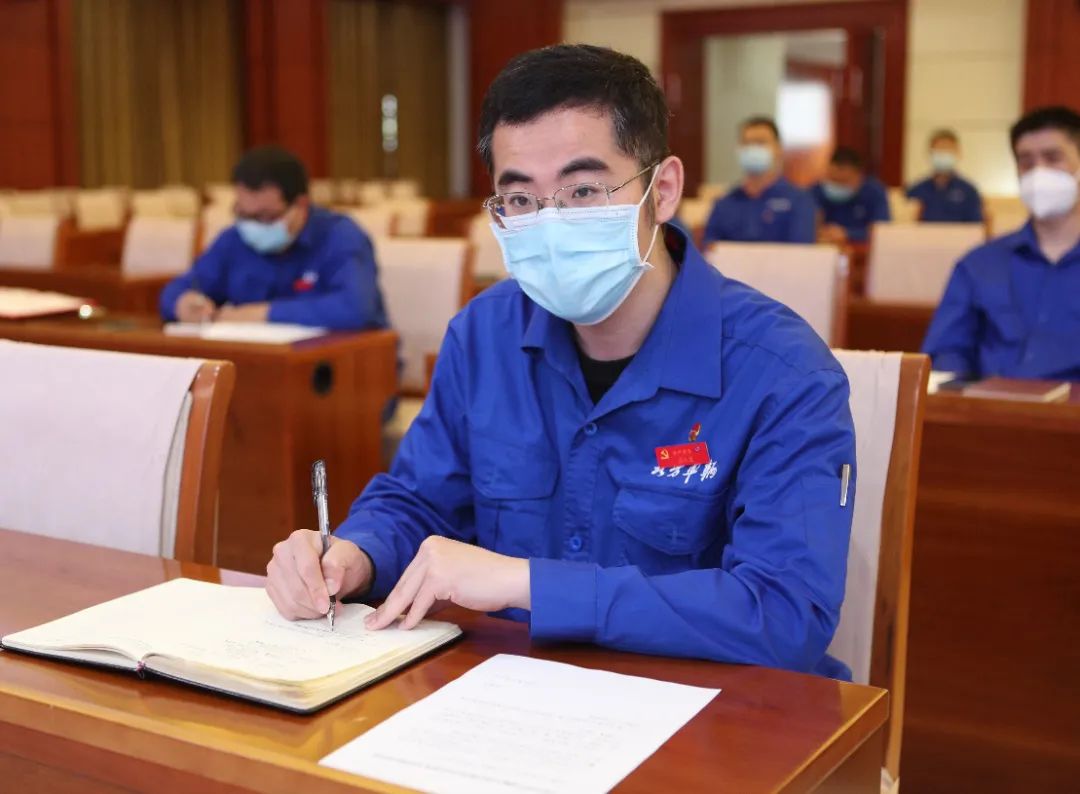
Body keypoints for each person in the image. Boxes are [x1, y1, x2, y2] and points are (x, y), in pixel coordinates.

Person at [265, 45, 857, 678]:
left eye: (582, 190)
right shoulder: (484, 336)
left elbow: (785, 613)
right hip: (508, 688)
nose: (550, 224)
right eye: (520, 200)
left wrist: (530, 584)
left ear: (662, 191)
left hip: (707, 709)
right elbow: (420, 501)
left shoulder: (783, 370)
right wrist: (357, 555)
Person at [923, 105, 1080, 380]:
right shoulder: (979, 264)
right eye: (1026, 162)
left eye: (1053, 158)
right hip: (992, 403)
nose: (1038, 172)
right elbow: (947, 352)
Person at [159, 146, 388, 331]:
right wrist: (183, 303)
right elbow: (178, 289)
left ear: (300, 205)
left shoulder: (340, 236)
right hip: (260, 360)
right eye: (243, 214)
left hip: (345, 362)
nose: (252, 226)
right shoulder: (234, 239)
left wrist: (262, 314)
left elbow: (356, 308)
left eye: (265, 216)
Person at [702, 116, 816, 245]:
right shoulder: (724, 204)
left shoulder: (799, 201)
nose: (752, 149)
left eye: (760, 143)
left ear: (778, 149)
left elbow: (801, 250)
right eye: (746, 143)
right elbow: (710, 249)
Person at [812, 147, 891, 244]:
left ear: (859, 176)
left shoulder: (874, 191)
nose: (836, 186)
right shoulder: (817, 190)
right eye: (832, 180)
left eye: (842, 181)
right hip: (826, 246)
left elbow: (881, 231)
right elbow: (808, 224)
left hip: (862, 248)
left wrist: (847, 233)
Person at [906, 129, 984, 223]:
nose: (943, 154)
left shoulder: (969, 191)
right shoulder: (916, 190)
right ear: (930, 153)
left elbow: (976, 226)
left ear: (958, 153)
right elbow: (907, 224)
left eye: (947, 150)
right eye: (939, 150)